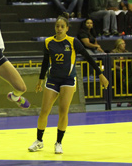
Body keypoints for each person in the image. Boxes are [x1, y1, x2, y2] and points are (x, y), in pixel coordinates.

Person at [28, 17, 108, 154]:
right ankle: (39, 141)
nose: (59, 28)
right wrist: (40, 79)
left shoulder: (72, 42)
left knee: (63, 111)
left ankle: (58, 143)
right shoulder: (48, 42)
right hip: (52, 79)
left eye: (62, 26)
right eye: (57, 26)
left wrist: (100, 74)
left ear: (67, 28)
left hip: (68, 80)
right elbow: (45, 61)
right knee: (44, 111)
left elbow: (88, 57)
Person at [111, 39, 132, 108]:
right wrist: (119, 64)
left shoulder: (126, 52)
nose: (124, 45)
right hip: (117, 71)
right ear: (118, 45)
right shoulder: (113, 53)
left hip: (126, 71)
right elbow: (112, 64)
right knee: (124, 79)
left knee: (131, 79)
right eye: (122, 43)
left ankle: (130, 100)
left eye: (124, 43)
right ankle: (122, 99)